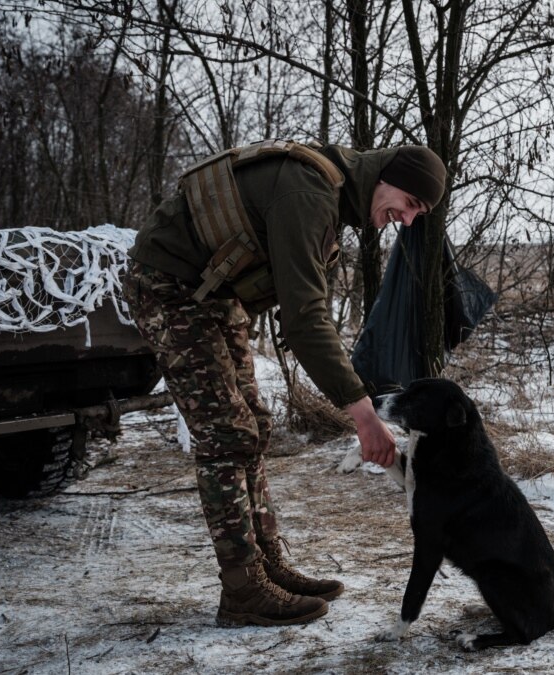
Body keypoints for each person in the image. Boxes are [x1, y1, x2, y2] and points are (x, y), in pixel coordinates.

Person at [123, 141, 447, 627]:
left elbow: (305, 303)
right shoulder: (308, 193)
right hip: (170, 285)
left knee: (253, 424)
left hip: (210, 293)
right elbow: (306, 320)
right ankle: (242, 589)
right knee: (226, 434)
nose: (408, 218)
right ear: (390, 179)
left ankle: (267, 565)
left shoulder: (332, 198)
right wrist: (364, 418)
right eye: (412, 204)